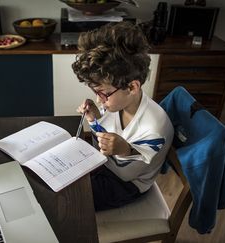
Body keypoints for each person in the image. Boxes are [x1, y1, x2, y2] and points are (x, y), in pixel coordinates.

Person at [72, 21, 174, 211]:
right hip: (105, 166)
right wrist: (95, 120)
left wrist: (125, 150)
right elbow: (101, 146)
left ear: (132, 87)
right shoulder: (116, 103)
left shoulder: (154, 128)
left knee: (72, 200)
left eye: (103, 93)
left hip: (126, 185)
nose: (99, 99)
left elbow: (123, 174)